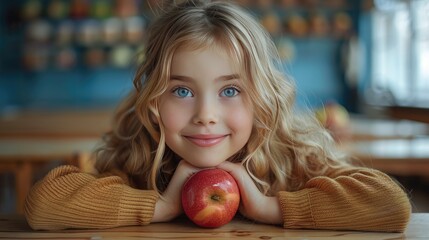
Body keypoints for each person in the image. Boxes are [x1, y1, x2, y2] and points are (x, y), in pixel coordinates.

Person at [24, 0, 411, 232]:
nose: (206, 116)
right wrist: (163, 206)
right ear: (154, 102)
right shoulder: (139, 161)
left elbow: (391, 204)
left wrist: (269, 207)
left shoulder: (290, 162)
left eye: (230, 91)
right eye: (182, 91)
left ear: (260, 98)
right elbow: (43, 205)